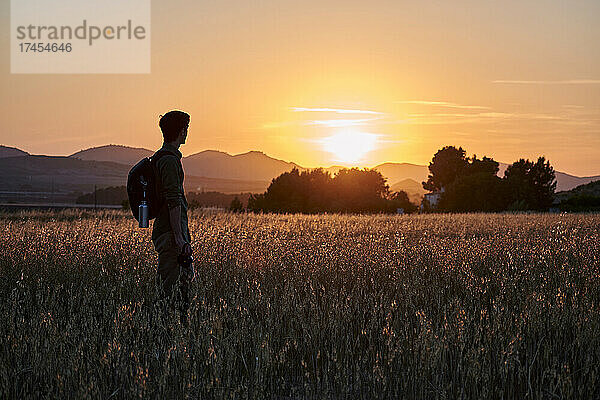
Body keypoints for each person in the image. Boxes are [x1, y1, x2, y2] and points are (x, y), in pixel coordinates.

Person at [152, 110, 193, 323]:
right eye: (186, 128)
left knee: (182, 285)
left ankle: (177, 332)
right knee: (171, 290)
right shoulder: (169, 161)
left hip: (171, 233)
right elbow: (173, 199)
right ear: (181, 131)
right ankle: (166, 334)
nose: (187, 132)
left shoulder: (166, 158)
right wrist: (179, 237)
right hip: (171, 235)